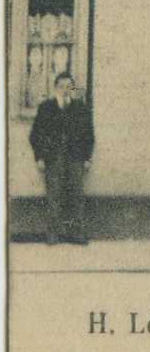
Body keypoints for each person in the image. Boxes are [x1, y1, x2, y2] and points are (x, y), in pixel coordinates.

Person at [29, 73, 94, 245]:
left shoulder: (80, 108)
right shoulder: (46, 107)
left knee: (76, 195)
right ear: (55, 88)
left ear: (73, 89)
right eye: (61, 86)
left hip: (76, 158)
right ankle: (52, 234)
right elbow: (36, 135)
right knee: (54, 196)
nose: (65, 90)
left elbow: (89, 134)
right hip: (53, 158)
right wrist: (40, 157)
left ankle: (77, 233)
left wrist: (87, 157)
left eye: (69, 86)